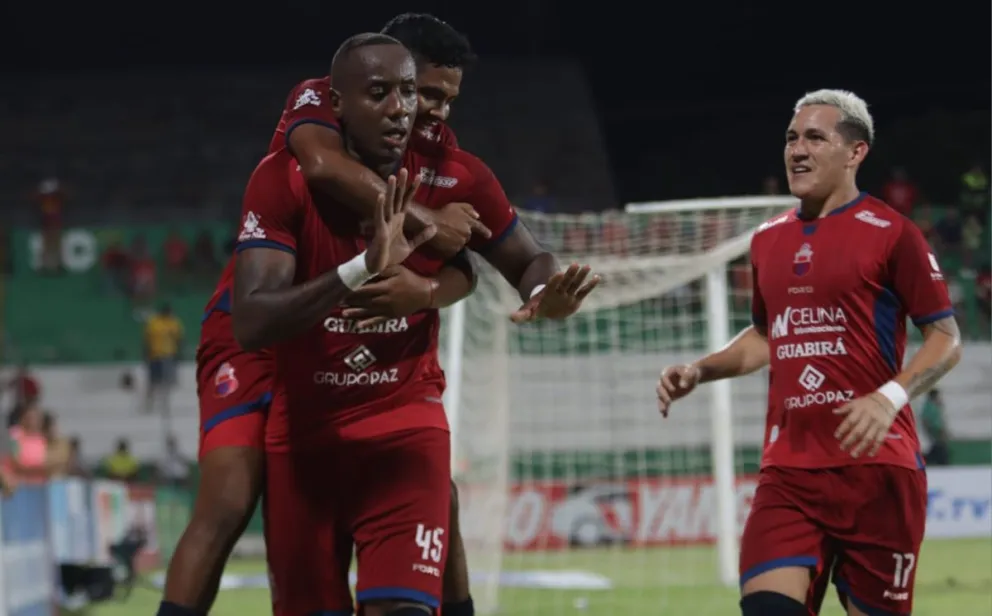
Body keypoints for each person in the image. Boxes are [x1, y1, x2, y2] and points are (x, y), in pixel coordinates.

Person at [235, 35, 593, 616]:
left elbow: (524, 260)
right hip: (304, 440)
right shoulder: (287, 174)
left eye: (413, 93)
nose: (409, 108)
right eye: (390, 93)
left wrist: (541, 292)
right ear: (338, 102)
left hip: (403, 427)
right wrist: (363, 268)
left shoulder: (456, 176)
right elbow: (251, 320)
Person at [655, 89, 961, 616]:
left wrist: (888, 397)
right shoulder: (768, 240)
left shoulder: (893, 234)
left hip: (877, 471)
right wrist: (699, 370)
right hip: (789, 473)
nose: (797, 149)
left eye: (815, 137)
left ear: (855, 152)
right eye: (792, 138)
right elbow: (766, 336)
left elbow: (946, 338)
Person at [143, 303, 183, 412]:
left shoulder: (174, 323)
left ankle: (165, 403)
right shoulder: (154, 322)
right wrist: (145, 353)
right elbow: (147, 339)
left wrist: (179, 353)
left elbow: (179, 338)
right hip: (155, 355)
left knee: (167, 382)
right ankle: (149, 403)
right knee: (153, 382)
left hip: (169, 355)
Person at [920, 388, 950, 465]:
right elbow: (926, 420)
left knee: (937, 448)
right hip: (934, 431)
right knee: (938, 449)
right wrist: (930, 431)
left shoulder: (935, 406)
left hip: (936, 431)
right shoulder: (929, 406)